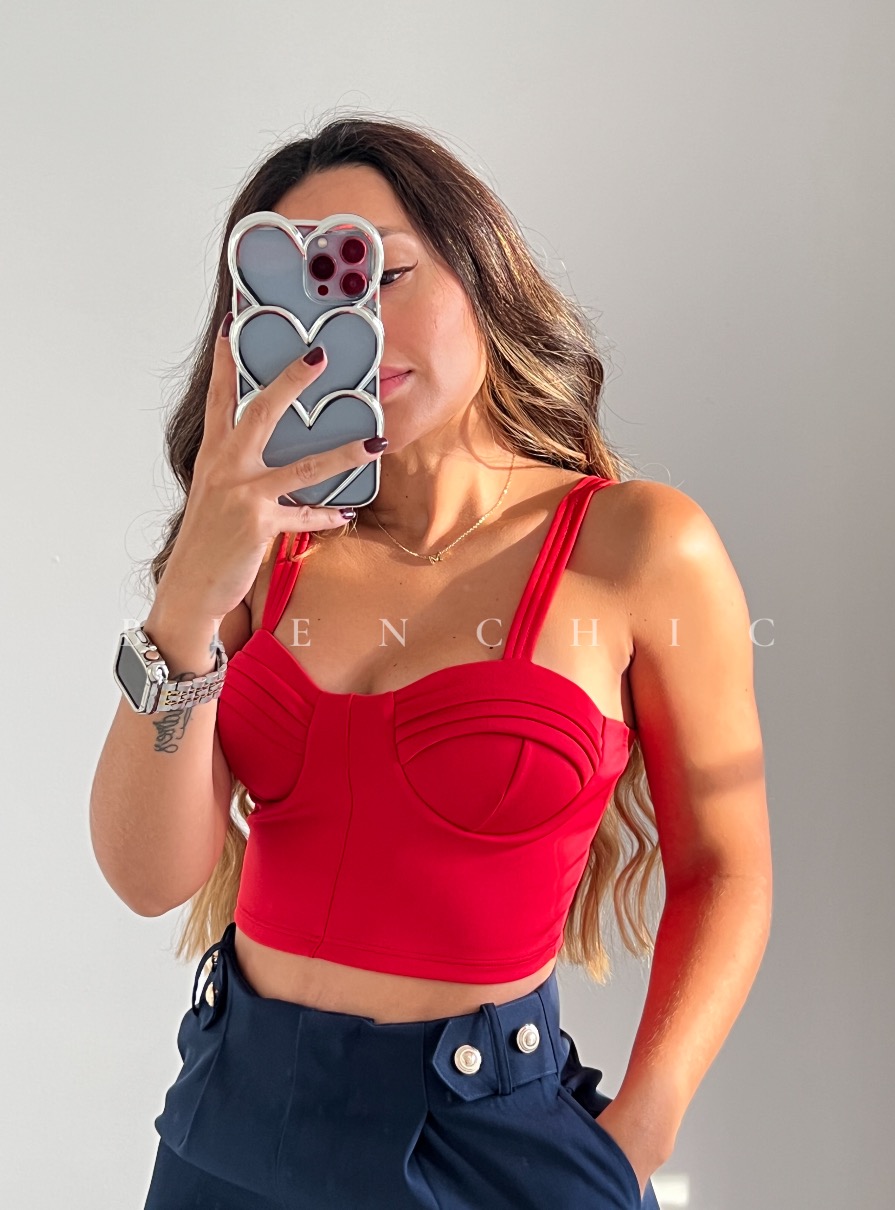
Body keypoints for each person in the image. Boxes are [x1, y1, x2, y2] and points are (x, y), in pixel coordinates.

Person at [90, 114, 772, 1209]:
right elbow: (146, 875)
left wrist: (638, 1132)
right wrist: (189, 600)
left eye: (380, 272)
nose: (344, 328)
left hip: (487, 1142)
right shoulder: (262, 546)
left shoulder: (639, 547)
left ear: (480, 270)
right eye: (298, 294)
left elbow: (724, 865)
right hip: (227, 1129)